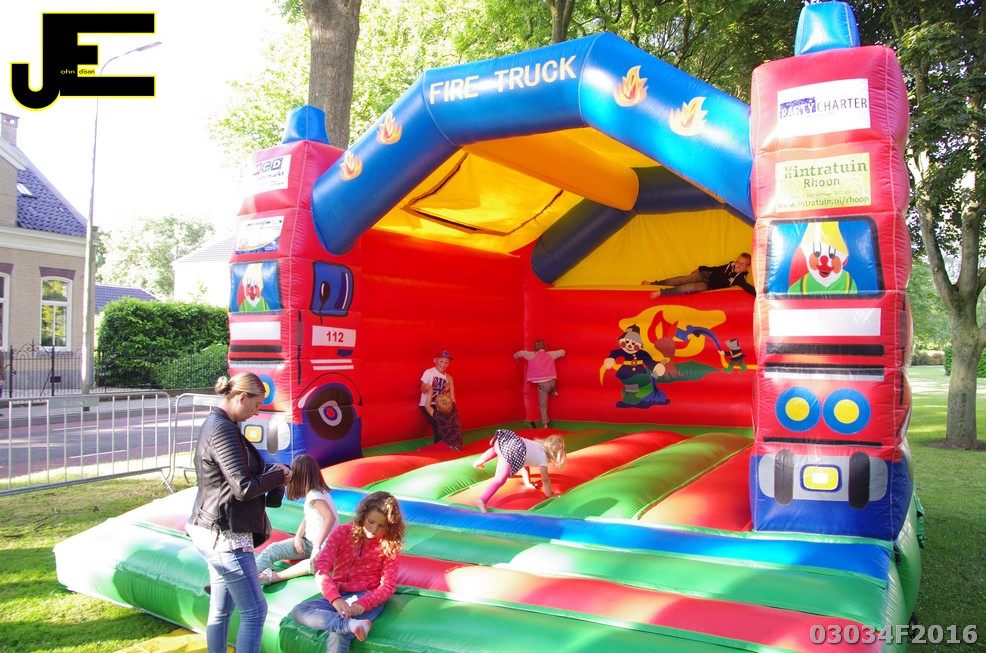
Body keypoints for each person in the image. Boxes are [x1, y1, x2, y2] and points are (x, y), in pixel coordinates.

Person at [186, 372, 291, 653]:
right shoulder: (222, 430)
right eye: (256, 405)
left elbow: (238, 474)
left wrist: (271, 472)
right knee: (255, 611)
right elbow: (243, 487)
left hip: (212, 528)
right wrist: (278, 476)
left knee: (222, 608)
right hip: (224, 535)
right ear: (242, 397)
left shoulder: (223, 425)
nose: (257, 412)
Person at [291, 491, 406, 652]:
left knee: (338, 634)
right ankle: (350, 624)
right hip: (340, 594)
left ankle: (347, 624)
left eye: (382, 526)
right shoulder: (342, 533)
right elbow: (321, 566)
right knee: (299, 611)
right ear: (363, 516)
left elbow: (388, 586)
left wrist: (363, 604)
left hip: (366, 597)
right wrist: (335, 598)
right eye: (370, 522)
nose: (374, 529)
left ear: (390, 526)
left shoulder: (389, 546)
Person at [256, 454, 338, 585]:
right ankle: (254, 574)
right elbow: (308, 517)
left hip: (324, 547)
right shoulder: (318, 492)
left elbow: (329, 517)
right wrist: (298, 536)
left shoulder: (315, 495)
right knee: (273, 549)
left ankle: (274, 577)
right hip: (309, 543)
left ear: (300, 476)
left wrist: (317, 547)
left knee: (313, 564)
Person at [472, 429, 566, 513]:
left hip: (504, 441)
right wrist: (549, 495)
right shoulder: (543, 459)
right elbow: (545, 479)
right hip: (511, 452)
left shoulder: (536, 445)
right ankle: (482, 500)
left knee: (496, 449)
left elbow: (524, 464)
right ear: (553, 457)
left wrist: (527, 482)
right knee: (499, 480)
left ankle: (480, 461)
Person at [642, 252, 755, 297]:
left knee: (688, 288)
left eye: (742, 264)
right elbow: (716, 268)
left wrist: (760, 295)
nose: (738, 265)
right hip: (706, 275)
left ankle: (662, 293)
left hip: (709, 286)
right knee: (681, 280)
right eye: (738, 262)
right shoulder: (730, 265)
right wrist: (701, 268)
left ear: (747, 267)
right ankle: (652, 284)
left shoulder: (740, 279)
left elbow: (748, 288)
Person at [513, 340, 566, 428]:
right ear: (545, 347)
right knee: (551, 387)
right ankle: (554, 392)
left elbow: (520, 353)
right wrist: (561, 356)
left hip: (543, 384)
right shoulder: (550, 354)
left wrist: (515, 357)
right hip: (553, 382)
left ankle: (545, 424)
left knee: (543, 406)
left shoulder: (532, 355)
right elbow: (562, 351)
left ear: (535, 348)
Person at [418, 350, 462, 449]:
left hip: (440, 405)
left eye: (447, 362)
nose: (444, 364)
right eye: (441, 361)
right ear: (435, 360)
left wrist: (446, 390)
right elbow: (422, 389)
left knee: (444, 423)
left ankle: (444, 444)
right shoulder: (429, 372)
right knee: (438, 424)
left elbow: (445, 395)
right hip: (427, 404)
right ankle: (440, 445)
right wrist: (427, 388)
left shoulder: (447, 377)